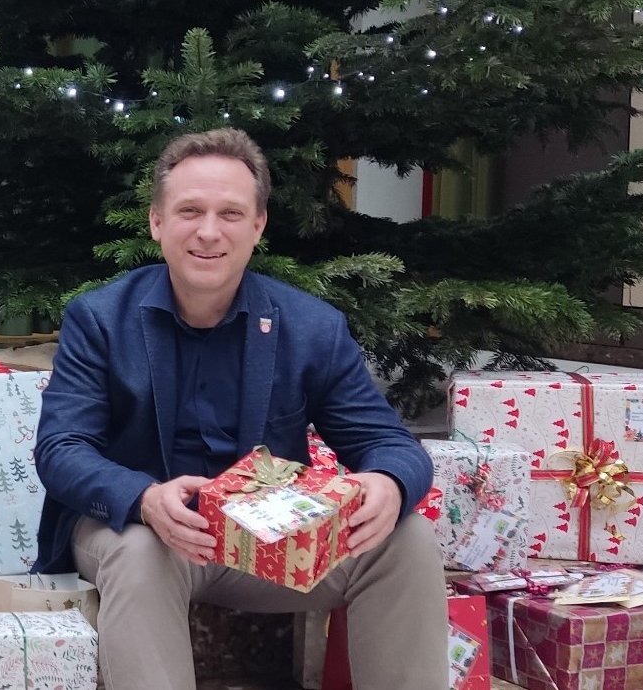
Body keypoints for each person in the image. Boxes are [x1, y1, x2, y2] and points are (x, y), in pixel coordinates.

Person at [32, 128, 445, 690]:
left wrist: (391, 482)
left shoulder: (312, 327)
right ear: (157, 222)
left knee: (407, 540)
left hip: (267, 539)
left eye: (230, 213)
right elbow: (61, 449)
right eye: (190, 211)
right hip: (142, 531)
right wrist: (145, 499)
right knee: (140, 550)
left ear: (258, 226)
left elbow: (388, 443)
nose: (209, 231)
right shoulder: (100, 319)